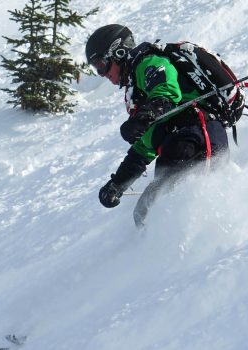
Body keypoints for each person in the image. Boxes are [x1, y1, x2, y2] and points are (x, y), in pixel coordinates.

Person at [85, 24, 231, 227]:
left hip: (196, 134)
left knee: (158, 210)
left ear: (118, 52)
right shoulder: (137, 88)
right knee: (146, 212)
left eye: (101, 64)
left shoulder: (149, 62)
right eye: (96, 69)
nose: (102, 73)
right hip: (182, 142)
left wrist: (141, 118)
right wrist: (117, 184)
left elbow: (167, 92)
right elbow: (146, 145)